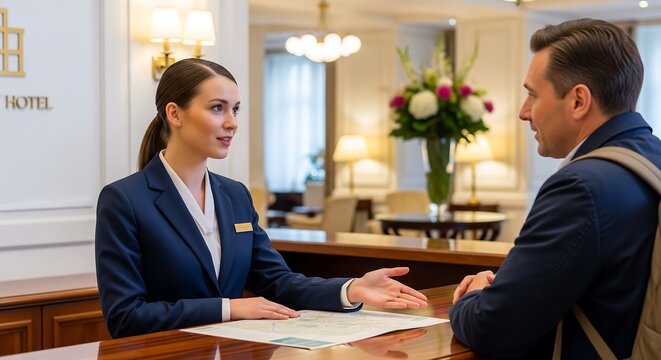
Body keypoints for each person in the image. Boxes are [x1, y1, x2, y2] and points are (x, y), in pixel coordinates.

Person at [95, 58, 428, 338]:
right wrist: (229, 307)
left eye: (235, 109)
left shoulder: (236, 195)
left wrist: (351, 289)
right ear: (175, 114)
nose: (232, 122)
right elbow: (125, 316)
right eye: (217, 108)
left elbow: (279, 282)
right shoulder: (123, 200)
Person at [450, 18, 661, 359]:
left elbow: (493, 329)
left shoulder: (580, 188)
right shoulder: (653, 158)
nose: (523, 112)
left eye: (532, 94)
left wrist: (474, 294)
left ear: (579, 100)